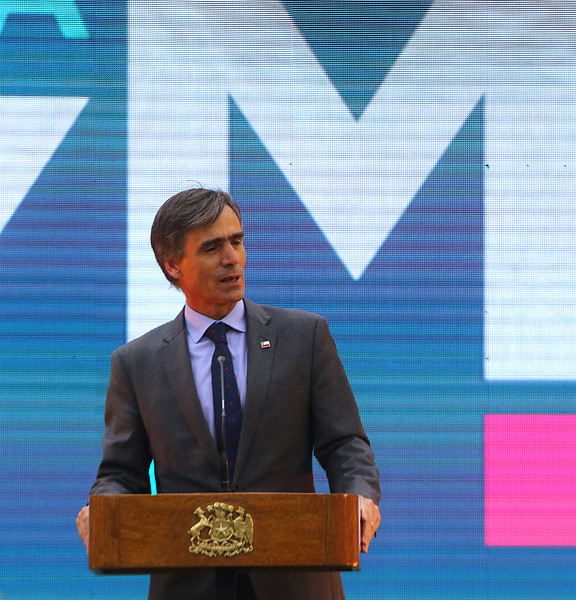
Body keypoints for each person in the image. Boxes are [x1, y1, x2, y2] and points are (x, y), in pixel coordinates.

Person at [76, 188, 381, 599]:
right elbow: (120, 474)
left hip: (295, 579)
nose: (232, 258)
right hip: (188, 584)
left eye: (236, 241)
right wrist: (103, 509)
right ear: (172, 264)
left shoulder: (304, 337)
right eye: (212, 247)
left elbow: (345, 443)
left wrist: (360, 496)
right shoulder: (137, 363)